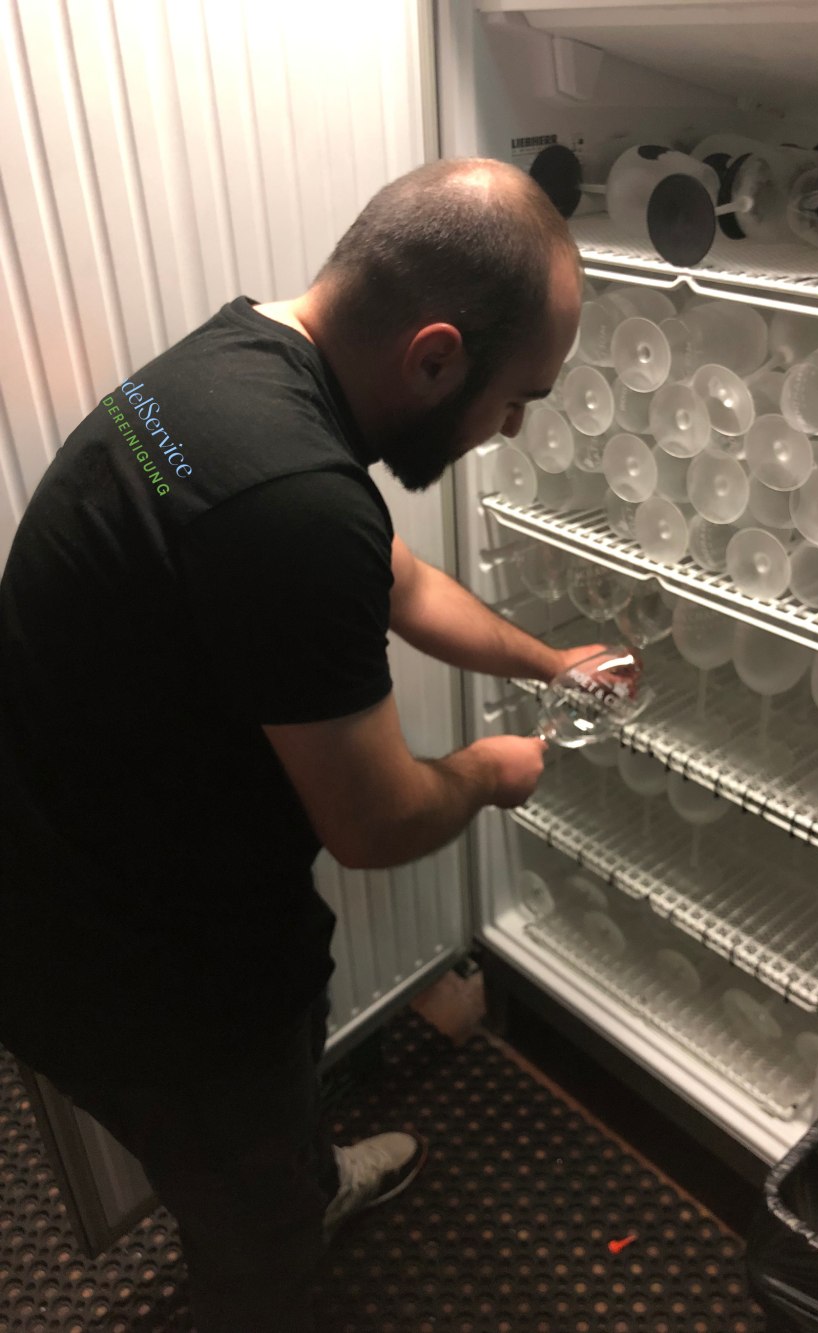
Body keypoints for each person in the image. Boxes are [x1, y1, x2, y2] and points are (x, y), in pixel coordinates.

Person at [0, 158, 587, 1331]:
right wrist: (490, 771)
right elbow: (373, 823)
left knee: (262, 1140)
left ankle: (297, 1176)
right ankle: (277, 1229)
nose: (512, 429)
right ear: (434, 358)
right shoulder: (292, 503)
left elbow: (397, 578)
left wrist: (546, 663)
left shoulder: (235, 366)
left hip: (64, 856)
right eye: (517, 397)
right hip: (132, 965)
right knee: (251, 1234)